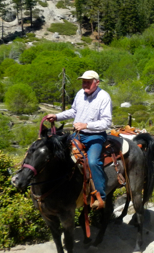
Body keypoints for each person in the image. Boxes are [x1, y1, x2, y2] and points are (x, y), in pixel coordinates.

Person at [45, 70, 112, 209]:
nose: (85, 84)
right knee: (59, 155)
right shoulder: (80, 94)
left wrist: (86, 125)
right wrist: (57, 116)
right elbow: (73, 111)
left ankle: (100, 197)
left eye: (88, 82)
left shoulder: (104, 97)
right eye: (83, 81)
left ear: (96, 82)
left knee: (93, 162)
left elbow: (106, 122)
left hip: (95, 135)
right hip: (78, 134)